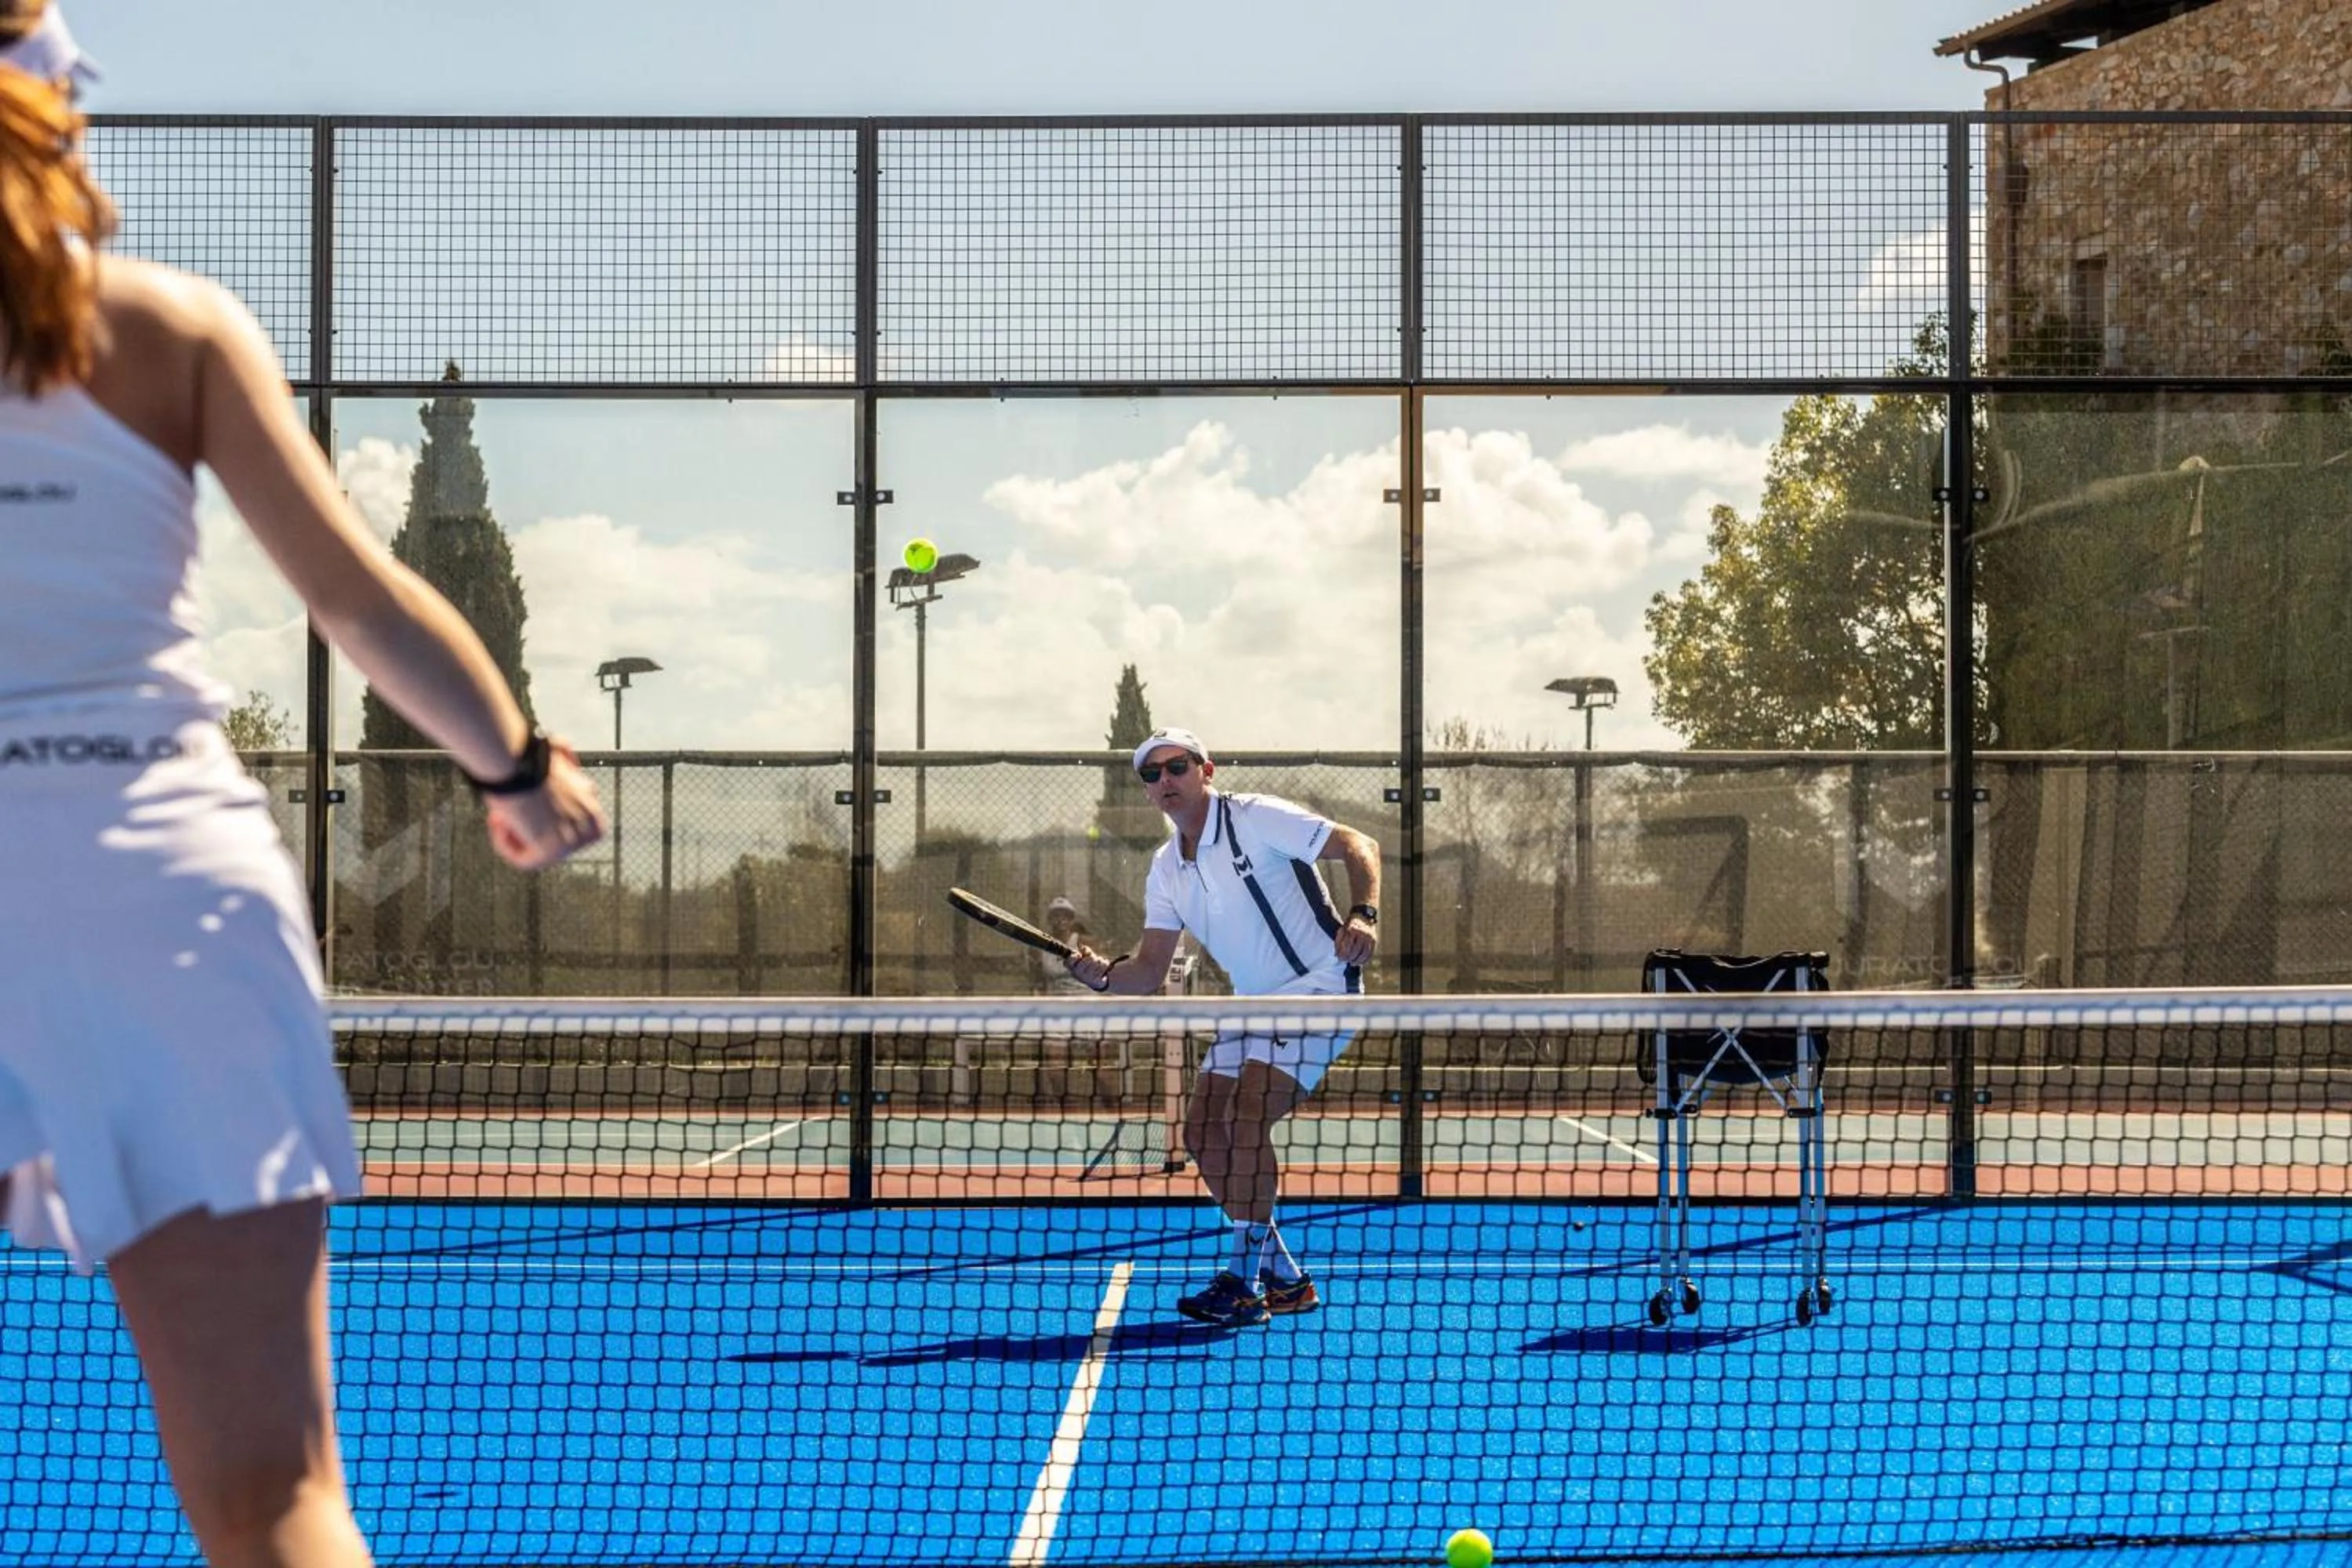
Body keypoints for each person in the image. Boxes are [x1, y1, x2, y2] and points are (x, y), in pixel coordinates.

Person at [0, 6, 607, 1563]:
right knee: (275, 1493)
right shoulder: (172, 330)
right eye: (71, 58)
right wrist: (517, 766)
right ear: (49, 94)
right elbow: (363, 604)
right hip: (162, 896)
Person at [1068, 728, 1380, 1327]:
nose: (1166, 781)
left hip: (1319, 987)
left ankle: (1241, 1280)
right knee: (1202, 1127)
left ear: (1205, 770)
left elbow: (1358, 843)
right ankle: (1284, 1278)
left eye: (1177, 766)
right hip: (1251, 1001)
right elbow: (1149, 969)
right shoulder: (1165, 870)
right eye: (1152, 775)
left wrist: (1363, 914)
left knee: (1247, 1116)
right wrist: (1102, 976)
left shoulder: (1257, 817)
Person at [1034, 895, 1097, 997]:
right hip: (1055, 1001)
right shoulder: (1043, 946)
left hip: (1083, 998)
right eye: (1056, 916)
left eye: (1066, 917)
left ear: (1072, 920)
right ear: (1050, 920)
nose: (1061, 920)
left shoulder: (1084, 942)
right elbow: (1039, 982)